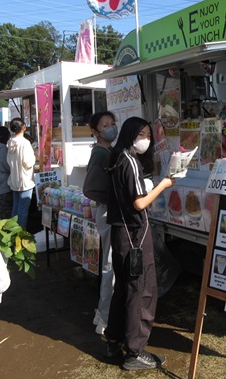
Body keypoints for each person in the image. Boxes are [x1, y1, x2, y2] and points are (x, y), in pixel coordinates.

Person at [103, 117, 174, 371]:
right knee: (141, 292)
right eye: (142, 134)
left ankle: (113, 338)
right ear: (131, 134)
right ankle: (135, 351)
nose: (146, 139)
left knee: (124, 288)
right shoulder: (129, 161)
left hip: (121, 234)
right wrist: (164, 185)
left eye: (148, 134)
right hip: (134, 236)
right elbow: (139, 203)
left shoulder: (117, 158)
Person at [83, 112, 118, 336]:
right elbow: (90, 189)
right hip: (108, 213)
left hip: (110, 212)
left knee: (111, 265)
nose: (111, 128)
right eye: (105, 125)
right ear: (96, 132)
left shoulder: (108, 151)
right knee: (110, 266)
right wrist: (114, 199)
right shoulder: (100, 154)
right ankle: (105, 317)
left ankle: (103, 313)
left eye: (112, 123)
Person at [6, 118, 35, 230]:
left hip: (14, 180)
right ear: (23, 127)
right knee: (22, 210)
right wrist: (34, 157)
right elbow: (28, 162)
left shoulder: (10, 142)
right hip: (25, 181)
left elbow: (9, 161)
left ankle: (12, 233)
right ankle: (19, 235)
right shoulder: (25, 143)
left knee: (16, 208)